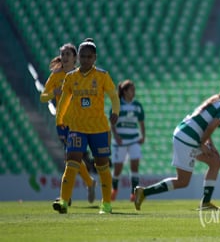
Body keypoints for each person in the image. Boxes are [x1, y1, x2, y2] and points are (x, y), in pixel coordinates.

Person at [133, 83, 220, 211]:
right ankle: (144, 192)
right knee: (183, 181)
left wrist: (210, 146)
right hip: (188, 138)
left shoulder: (217, 100)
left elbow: (205, 123)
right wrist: (203, 144)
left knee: (215, 161)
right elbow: (211, 126)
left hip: (185, 134)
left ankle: (206, 202)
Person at [52, 38, 120, 214]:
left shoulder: (102, 76)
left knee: (102, 165)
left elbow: (113, 96)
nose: (86, 60)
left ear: (95, 58)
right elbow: (64, 101)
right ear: (78, 57)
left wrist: (115, 112)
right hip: (77, 127)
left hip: (99, 128)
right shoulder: (71, 77)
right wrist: (60, 119)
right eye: (83, 56)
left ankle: (106, 204)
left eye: (89, 57)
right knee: (72, 162)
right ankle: (64, 202)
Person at [40, 43, 96, 205]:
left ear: (74, 58)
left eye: (67, 54)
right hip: (62, 122)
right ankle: (89, 182)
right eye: (62, 54)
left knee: (70, 157)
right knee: (73, 158)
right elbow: (42, 97)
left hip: (77, 122)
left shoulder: (80, 75)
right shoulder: (56, 77)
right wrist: (52, 93)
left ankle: (66, 196)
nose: (64, 57)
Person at [110, 79, 146, 202]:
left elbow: (141, 122)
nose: (134, 92)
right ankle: (114, 189)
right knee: (118, 169)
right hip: (120, 142)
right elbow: (112, 123)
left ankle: (133, 193)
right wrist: (116, 137)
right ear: (125, 91)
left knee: (135, 166)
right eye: (132, 90)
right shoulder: (117, 105)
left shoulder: (137, 106)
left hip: (134, 140)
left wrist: (143, 136)